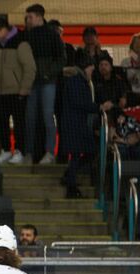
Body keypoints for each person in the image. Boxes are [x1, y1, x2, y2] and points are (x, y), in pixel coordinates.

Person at [0, 17, 35, 165]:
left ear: (4, 29)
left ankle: (20, 151)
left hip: (17, 92)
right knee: (0, 122)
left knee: (19, 123)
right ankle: (6, 150)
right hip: (1, 93)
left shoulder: (20, 42)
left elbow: (30, 68)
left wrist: (24, 89)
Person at [21, 4, 64, 164]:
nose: (28, 20)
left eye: (30, 17)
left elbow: (61, 58)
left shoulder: (52, 35)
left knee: (47, 116)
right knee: (30, 118)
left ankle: (49, 152)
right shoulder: (27, 35)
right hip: (33, 82)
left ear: (39, 17)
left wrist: (48, 73)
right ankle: (30, 152)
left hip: (47, 82)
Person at [60, 60, 98, 199]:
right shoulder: (77, 82)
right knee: (81, 153)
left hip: (75, 123)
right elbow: (79, 103)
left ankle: (70, 176)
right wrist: (97, 107)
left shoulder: (77, 81)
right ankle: (70, 183)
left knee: (84, 152)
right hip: (75, 124)